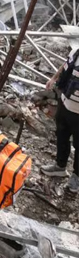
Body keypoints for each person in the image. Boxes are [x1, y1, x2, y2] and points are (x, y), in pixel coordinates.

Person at [42, 47, 79, 192]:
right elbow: (65, 65)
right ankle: (60, 166)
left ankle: (76, 176)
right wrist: (54, 78)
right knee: (62, 136)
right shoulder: (76, 52)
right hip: (65, 103)